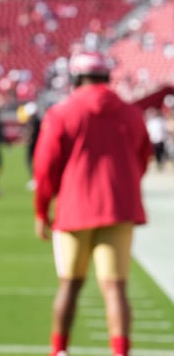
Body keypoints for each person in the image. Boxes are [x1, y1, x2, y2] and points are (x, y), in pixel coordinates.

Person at [32, 51, 151, 356]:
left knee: (69, 285)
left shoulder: (62, 112)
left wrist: (41, 209)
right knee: (115, 288)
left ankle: (59, 350)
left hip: (74, 209)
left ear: (76, 77)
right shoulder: (130, 111)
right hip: (119, 209)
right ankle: (120, 352)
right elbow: (142, 157)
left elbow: (45, 166)